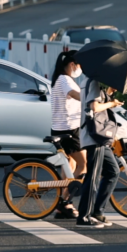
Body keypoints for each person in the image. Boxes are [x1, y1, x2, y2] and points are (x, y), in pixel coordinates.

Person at [75, 76, 122, 228]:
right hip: (94, 136)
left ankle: (97, 211)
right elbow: (94, 107)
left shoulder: (91, 83)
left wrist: (108, 92)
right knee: (93, 177)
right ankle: (83, 216)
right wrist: (112, 103)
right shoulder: (93, 82)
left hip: (98, 137)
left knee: (113, 171)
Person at [50, 51, 87, 219]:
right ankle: (64, 201)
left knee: (70, 167)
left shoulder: (60, 79)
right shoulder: (65, 80)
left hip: (63, 128)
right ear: (72, 64)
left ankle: (65, 205)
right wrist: (91, 99)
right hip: (68, 130)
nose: (80, 69)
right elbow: (74, 95)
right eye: (79, 65)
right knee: (84, 165)